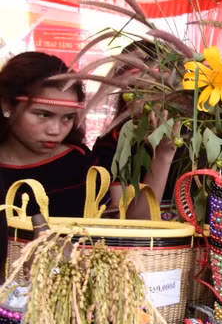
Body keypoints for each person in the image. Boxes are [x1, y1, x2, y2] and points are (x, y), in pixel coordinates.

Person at [0, 51, 112, 271]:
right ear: (7, 106)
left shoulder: (80, 164)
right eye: (43, 114)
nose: (55, 130)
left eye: (67, 118)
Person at [92, 39, 178, 219]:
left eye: (156, 91)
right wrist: (162, 156)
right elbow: (130, 222)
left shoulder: (200, 139)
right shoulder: (111, 145)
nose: (144, 102)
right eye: (135, 90)